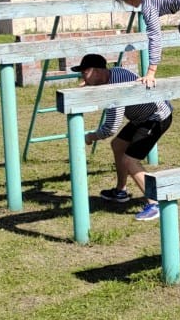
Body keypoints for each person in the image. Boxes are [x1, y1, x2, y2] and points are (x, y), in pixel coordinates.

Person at [72, 53, 174, 222]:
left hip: (156, 117)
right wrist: (87, 84)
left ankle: (155, 204)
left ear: (96, 71)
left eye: (85, 72)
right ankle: (121, 191)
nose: (82, 76)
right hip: (141, 117)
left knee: (129, 160)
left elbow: (111, 127)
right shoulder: (112, 74)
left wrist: (91, 137)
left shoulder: (116, 88)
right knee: (118, 145)